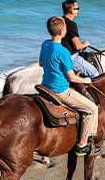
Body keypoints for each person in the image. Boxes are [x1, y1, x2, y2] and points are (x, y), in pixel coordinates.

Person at [39, 16, 99, 156]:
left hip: (44, 86)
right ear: (62, 31)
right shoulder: (64, 51)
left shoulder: (45, 44)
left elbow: (41, 63)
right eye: (65, 27)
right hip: (60, 90)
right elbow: (71, 77)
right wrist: (87, 81)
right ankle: (83, 145)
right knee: (92, 109)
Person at [60, 0, 100, 78]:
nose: (78, 10)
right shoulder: (71, 24)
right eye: (77, 8)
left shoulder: (61, 21)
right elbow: (77, 47)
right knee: (95, 73)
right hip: (71, 58)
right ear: (71, 10)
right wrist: (85, 44)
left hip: (62, 55)